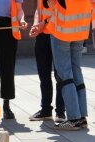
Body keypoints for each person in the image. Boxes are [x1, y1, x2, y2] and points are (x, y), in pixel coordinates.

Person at [46, 0, 93, 130]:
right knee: (76, 71)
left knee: (64, 75)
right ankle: (82, 116)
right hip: (80, 30)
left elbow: (49, 3)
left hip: (62, 31)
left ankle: (73, 118)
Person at [28, 0, 65, 122]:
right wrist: (35, 25)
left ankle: (60, 112)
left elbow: (60, 11)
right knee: (43, 75)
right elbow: (39, 10)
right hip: (42, 35)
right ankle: (46, 110)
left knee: (59, 74)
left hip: (57, 34)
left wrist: (43, 23)